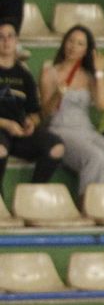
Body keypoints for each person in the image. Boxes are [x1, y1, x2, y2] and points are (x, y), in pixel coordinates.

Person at [39, 24, 104, 195]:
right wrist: (57, 95)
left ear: (87, 50)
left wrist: (100, 73)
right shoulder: (49, 73)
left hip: (86, 130)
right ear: (64, 43)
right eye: (70, 41)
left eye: (80, 44)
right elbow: (44, 113)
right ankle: (89, 203)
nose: (73, 46)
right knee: (96, 157)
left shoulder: (89, 77)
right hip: (61, 128)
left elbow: (103, 105)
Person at [0, 19, 66, 186]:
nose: (6, 41)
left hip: (19, 132)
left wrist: (31, 122)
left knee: (56, 147)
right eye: (1, 37)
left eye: (10, 36)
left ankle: (33, 193)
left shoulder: (24, 74)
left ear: (16, 41)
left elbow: (35, 112)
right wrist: (6, 124)